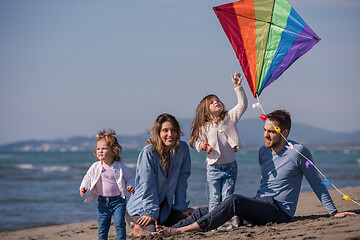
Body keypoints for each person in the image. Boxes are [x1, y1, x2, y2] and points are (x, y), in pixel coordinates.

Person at [144, 110, 357, 237]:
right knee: (208, 209)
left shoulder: (299, 152)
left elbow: (317, 182)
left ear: (285, 133)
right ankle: (159, 232)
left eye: (271, 131)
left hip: (280, 211)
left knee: (234, 200)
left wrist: (333, 212)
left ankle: (181, 231)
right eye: (264, 130)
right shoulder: (263, 151)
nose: (265, 134)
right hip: (261, 204)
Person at [126, 113, 193, 235]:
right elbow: (148, 184)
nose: (170, 134)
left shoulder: (182, 149)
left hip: (164, 209)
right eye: (165, 130)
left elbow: (182, 181)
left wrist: (180, 208)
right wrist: (150, 213)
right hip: (141, 209)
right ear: (158, 132)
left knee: (191, 219)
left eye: (173, 130)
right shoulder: (149, 153)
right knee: (152, 231)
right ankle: (136, 229)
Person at [189, 72, 248, 211]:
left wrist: (237, 87)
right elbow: (198, 142)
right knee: (215, 198)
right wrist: (201, 146)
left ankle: (228, 223)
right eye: (212, 102)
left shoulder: (229, 118)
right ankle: (213, 223)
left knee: (227, 197)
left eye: (218, 100)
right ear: (205, 112)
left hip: (231, 167)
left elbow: (242, 105)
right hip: (213, 168)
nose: (217, 102)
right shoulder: (204, 127)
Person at [80, 129, 135, 240]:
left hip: (118, 201)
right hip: (102, 202)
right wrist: (84, 187)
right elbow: (88, 177)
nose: (100, 151)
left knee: (119, 224)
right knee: (102, 227)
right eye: (98, 149)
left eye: (104, 148)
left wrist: (130, 186)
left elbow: (129, 177)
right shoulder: (95, 166)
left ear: (113, 150)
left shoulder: (120, 166)